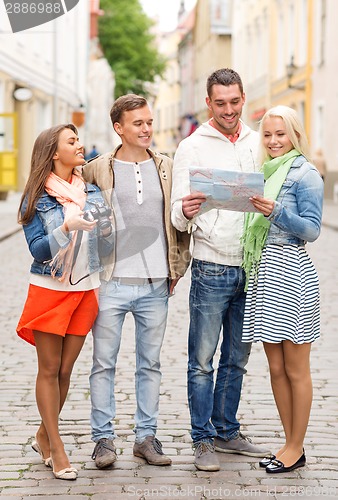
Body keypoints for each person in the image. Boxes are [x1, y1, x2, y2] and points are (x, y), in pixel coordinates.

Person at [82, 94, 191, 469]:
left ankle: (146, 437)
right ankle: (103, 440)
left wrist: (176, 265)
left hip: (155, 283)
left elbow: (179, 217)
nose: (147, 129)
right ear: (119, 128)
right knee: (103, 363)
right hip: (110, 282)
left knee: (150, 363)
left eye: (149, 122)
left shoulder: (168, 167)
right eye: (138, 123)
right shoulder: (96, 169)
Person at [171, 68, 270, 471]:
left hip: (252, 264)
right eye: (220, 103)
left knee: (237, 358)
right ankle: (202, 438)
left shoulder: (258, 142)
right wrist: (186, 210)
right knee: (202, 360)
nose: (228, 110)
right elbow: (177, 216)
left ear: (243, 98)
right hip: (212, 266)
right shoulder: (191, 147)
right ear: (208, 103)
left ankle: (227, 430)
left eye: (234, 101)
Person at [16, 124, 114, 480]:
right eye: (72, 141)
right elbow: (39, 250)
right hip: (49, 289)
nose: (80, 145)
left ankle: (43, 435)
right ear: (54, 153)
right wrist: (67, 227)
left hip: (84, 290)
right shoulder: (35, 197)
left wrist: (106, 232)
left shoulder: (92, 192)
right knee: (48, 369)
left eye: (78, 139)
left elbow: (106, 244)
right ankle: (57, 449)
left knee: (65, 370)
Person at [241, 105, 323, 473]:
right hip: (264, 272)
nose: (274, 141)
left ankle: (295, 445)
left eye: (281, 134)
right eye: (268, 135)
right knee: (275, 366)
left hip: (291, 272)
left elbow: (311, 230)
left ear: (295, 135)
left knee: (295, 367)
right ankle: (290, 443)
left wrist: (275, 212)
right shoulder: (261, 173)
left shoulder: (306, 175)